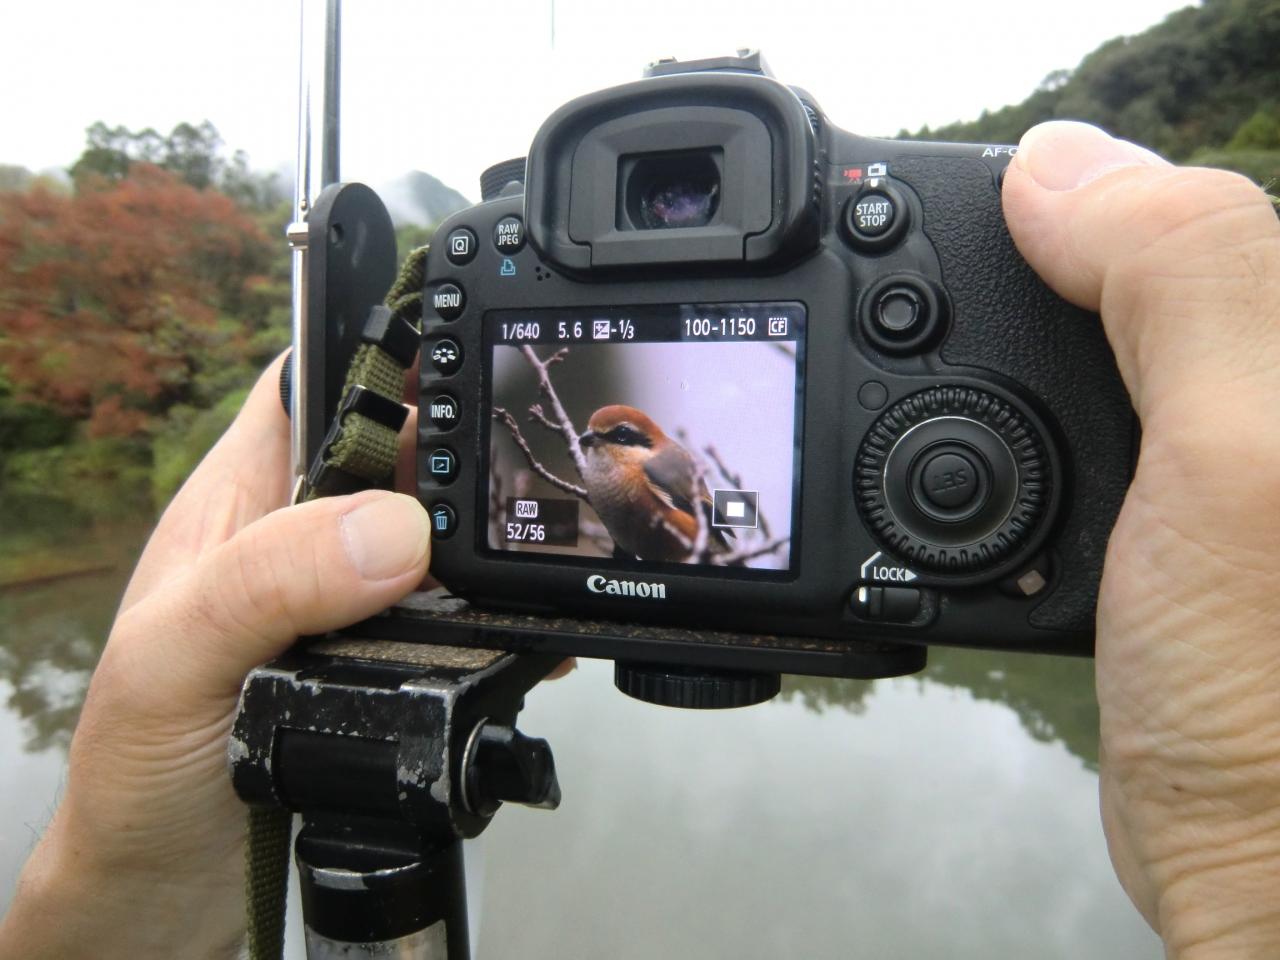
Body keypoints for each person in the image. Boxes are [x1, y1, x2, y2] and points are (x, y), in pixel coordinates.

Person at [1, 120, 1277, 958]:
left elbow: (679, 507)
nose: (611, 446)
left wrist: (1239, 860)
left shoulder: (661, 466)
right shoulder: (585, 452)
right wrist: (123, 891)